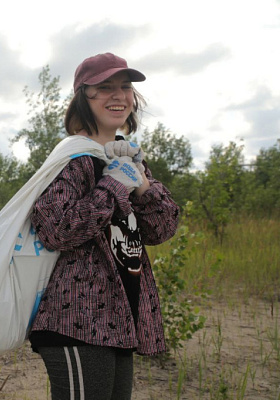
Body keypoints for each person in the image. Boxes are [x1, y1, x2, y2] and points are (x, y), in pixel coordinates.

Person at [28, 52, 180, 399]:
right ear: (84, 95)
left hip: (119, 319)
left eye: (125, 87)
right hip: (77, 320)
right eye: (105, 87)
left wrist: (141, 184)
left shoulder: (124, 157)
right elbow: (56, 230)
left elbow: (161, 229)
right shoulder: (73, 158)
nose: (119, 95)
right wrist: (110, 187)